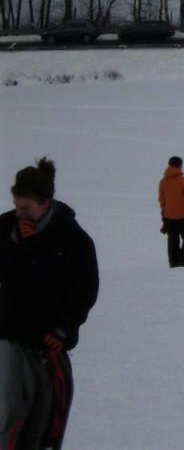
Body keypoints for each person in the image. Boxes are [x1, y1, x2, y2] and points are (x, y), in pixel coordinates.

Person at [0, 158, 99, 450]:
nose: (20, 213)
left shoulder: (73, 239)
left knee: (46, 415)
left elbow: (84, 291)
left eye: (26, 207)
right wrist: (22, 248)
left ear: (45, 203)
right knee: (11, 409)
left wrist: (63, 329)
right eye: (17, 206)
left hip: (47, 341)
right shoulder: (4, 229)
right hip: (8, 333)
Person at [158, 155, 184, 268]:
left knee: (173, 241)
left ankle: (174, 263)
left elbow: (162, 200)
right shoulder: (183, 180)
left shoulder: (163, 182)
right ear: (179, 166)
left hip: (169, 217)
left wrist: (164, 213)